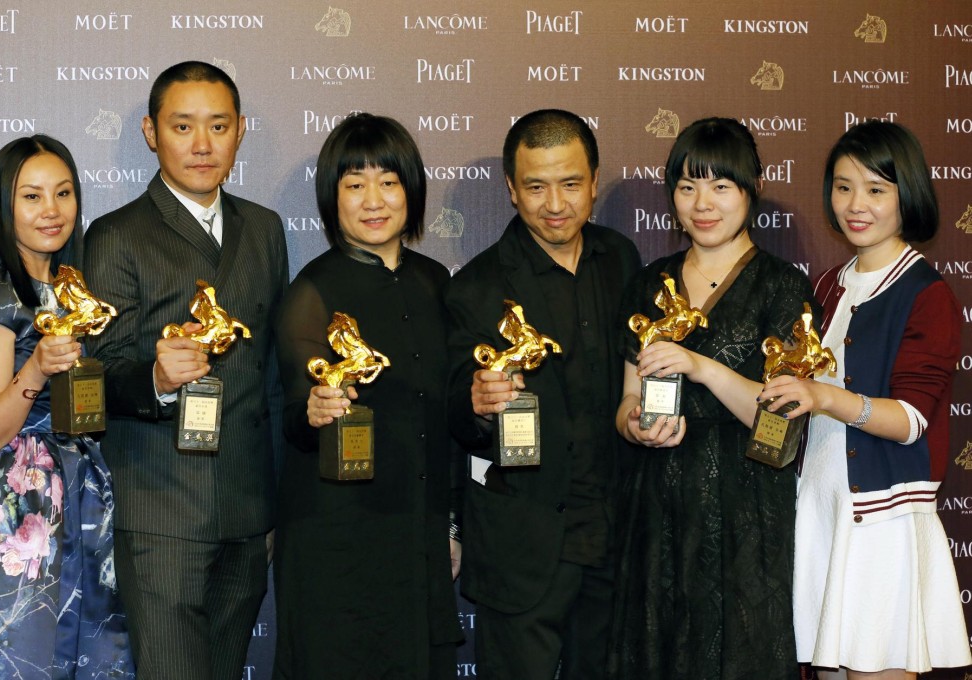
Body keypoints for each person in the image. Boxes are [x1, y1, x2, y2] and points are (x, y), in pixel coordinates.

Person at [84, 62, 288, 679]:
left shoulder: (264, 228)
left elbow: (273, 377)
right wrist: (153, 378)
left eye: (218, 125)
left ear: (240, 131)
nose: (202, 144)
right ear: (152, 132)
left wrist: (275, 504)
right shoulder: (117, 235)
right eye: (182, 126)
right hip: (161, 515)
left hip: (248, 513)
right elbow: (92, 377)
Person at [760, 121, 972, 679]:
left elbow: (912, 420)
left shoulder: (926, 295)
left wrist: (825, 397)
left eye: (877, 190)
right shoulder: (828, 284)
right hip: (822, 513)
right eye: (843, 186)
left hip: (882, 524)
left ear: (909, 196)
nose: (857, 204)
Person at [607, 118, 814, 680]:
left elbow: (782, 424)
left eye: (721, 186)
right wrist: (637, 426)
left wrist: (701, 367)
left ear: (753, 188)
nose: (703, 203)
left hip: (745, 507)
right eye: (687, 186)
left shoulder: (781, 287)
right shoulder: (652, 283)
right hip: (657, 507)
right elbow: (627, 403)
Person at [445, 109, 642, 680]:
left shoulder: (622, 260)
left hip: (613, 541)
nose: (555, 203)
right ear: (511, 189)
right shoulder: (476, 287)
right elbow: (456, 411)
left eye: (570, 183)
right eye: (536, 186)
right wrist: (478, 402)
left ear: (594, 180)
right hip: (523, 550)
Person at [272, 112, 462, 679]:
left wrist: (450, 527)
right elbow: (291, 419)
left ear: (411, 190)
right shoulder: (311, 292)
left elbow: (450, 421)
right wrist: (313, 411)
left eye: (389, 181)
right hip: (338, 544)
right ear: (333, 199)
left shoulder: (438, 284)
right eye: (354, 185)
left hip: (418, 535)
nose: (373, 199)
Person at [0, 135, 133, 678]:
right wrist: (35, 369)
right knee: (19, 661)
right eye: (31, 197)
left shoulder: (70, 287)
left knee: (86, 657)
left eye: (63, 193)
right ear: (4, 206)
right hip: (14, 503)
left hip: (81, 492)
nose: (51, 211)